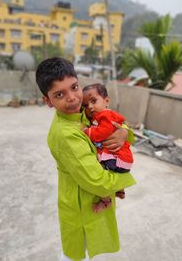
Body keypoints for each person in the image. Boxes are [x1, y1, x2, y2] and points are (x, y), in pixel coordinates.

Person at [36, 57, 136, 261]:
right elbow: (98, 182)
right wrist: (125, 181)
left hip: (92, 198)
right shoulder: (66, 135)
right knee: (75, 254)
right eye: (60, 94)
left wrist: (124, 132)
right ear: (48, 101)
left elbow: (114, 119)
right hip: (81, 205)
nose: (72, 98)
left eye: (74, 87)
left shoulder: (82, 110)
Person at [82, 83, 134, 212]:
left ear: (107, 101)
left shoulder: (105, 116)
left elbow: (102, 132)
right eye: (85, 105)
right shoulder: (102, 117)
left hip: (117, 158)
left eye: (93, 101)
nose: (90, 107)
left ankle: (105, 201)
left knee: (102, 174)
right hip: (122, 159)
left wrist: (88, 132)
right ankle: (120, 190)